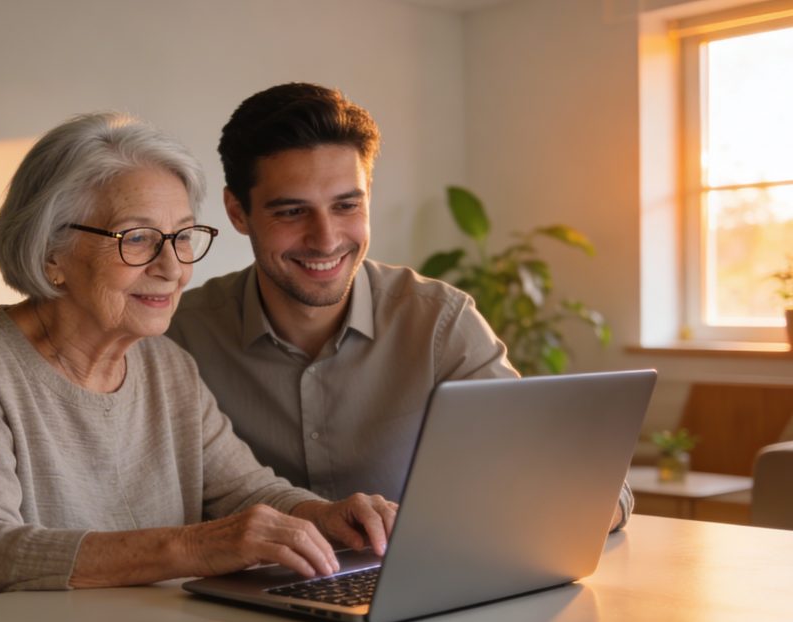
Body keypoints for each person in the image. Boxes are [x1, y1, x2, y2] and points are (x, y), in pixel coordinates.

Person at [0, 112, 396, 608]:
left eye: (183, 236)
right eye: (138, 238)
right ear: (51, 254)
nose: (172, 268)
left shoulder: (166, 365)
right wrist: (193, 548)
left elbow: (246, 492)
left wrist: (328, 517)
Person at [164, 82, 631, 529]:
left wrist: (571, 502)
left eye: (347, 206)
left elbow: (588, 486)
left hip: (409, 594)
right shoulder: (178, 336)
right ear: (237, 212)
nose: (326, 239)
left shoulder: (439, 323)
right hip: (232, 600)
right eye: (291, 211)